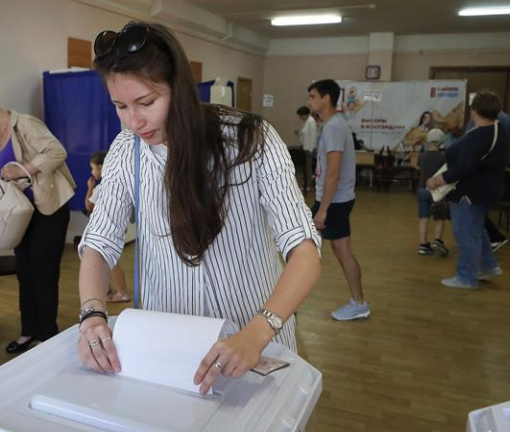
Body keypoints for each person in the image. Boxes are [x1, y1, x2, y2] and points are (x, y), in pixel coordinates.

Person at [76, 22, 321, 395]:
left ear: (180, 89)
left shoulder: (249, 140)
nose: (133, 121)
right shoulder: (128, 150)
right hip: (170, 350)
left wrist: (257, 333)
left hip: (254, 342)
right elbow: (99, 243)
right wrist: (92, 315)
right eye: (120, 106)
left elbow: (304, 250)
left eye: (146, 102)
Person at [0, 86, 77, 353]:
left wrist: (24, 169)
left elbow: (57, 152)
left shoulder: (25, 124)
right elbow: (8, 172)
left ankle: (47, 336)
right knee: (25, 272)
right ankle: (28, 332)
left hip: (48, 210)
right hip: (22, 213)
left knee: (43, 273)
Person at [426, 90, 510, 289]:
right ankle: (488, 266)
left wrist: (438, 180)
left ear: (475, 110)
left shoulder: (479, 136)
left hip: (470, 192)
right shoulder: (498, 130)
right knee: (476, 230)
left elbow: (464, 167)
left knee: (466, 234)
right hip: (487, 190)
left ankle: (466, 277)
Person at [308, 79, 369, 322]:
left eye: (312, 96)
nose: (309, 101)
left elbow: (333, 173)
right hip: (333, 200)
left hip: (333, 202)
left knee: (340, 251)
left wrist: (323, 210)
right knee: (307, 245)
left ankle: (359, 303)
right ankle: (358, 302)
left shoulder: (334, 127)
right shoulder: (332, 125)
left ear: (326, 98)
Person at [465, 106, 510, 252]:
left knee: (473, 207)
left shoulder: (482, 121)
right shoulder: (505, 119)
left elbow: (468, 141)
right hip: (492, 172)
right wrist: (505, 157)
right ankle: (488, 240)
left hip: (480, 172)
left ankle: (493, 237)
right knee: (477, 208)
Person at [85, 151, 130, 303]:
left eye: (93, 168)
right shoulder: (117, 183)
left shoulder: (102, 187)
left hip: (106, 228)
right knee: (108, 260)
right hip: (116, 226)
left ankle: (122, 293)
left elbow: (89, 205)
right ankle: (109, 289)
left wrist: (90, 188)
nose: (92, 172)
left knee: (111, 261)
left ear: (100, 167)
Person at [416, 129, 450, 256]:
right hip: (438, 191)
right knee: (440, 217)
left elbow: (419, 168)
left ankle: (423, 244)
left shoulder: (422, 156)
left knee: (423, 218)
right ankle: (437, 240)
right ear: (441, 141)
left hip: (422, 189)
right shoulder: (444, 157)